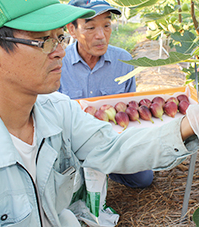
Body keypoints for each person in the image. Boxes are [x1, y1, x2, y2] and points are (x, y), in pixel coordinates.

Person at [0, 0, 199, 226]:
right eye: (42, 41)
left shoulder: (57, 110)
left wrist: (195, 123)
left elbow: (113, 148)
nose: (59, 50)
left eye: (59, 38)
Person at [59, 0, 153, 189]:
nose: (101, 36)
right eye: (91, 27)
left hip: (112, 141)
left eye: (107, 26)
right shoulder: (58, 63)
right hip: (71, 145)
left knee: (143, 179)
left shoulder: (124, 60)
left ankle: (107, 169)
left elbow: (129, 110)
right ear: (72, 29)